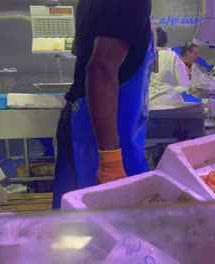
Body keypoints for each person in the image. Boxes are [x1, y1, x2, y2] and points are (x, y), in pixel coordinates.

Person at [53, 0, 152, 208]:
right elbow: (101, 69)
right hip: (98, 140)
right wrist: (111, 161)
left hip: (105, 133)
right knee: (89, 230)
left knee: (82, 229)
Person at [149, 27, 190, 104]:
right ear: (165, 40)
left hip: (149, 104)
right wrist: (172, 89)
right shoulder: (172, 56)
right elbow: (185, 83)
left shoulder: (146, 57)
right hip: (172, 104)